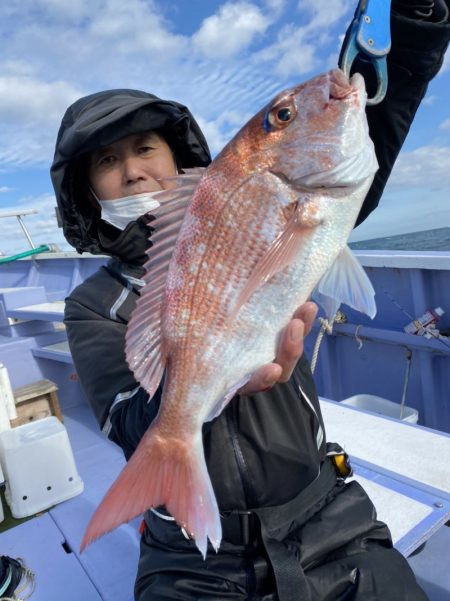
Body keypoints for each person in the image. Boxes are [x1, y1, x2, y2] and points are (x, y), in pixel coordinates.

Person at [51, 2, 450, 600]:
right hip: (188, 550)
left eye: (144, 148)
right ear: (88, 190)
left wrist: (414, 27)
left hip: (327, 515)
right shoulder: (92, 303)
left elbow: (374, 118)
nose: (132, 171)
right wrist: (193, 390)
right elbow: (128, 423)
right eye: (108, 161)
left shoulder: (288, 200)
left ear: (177, 158)